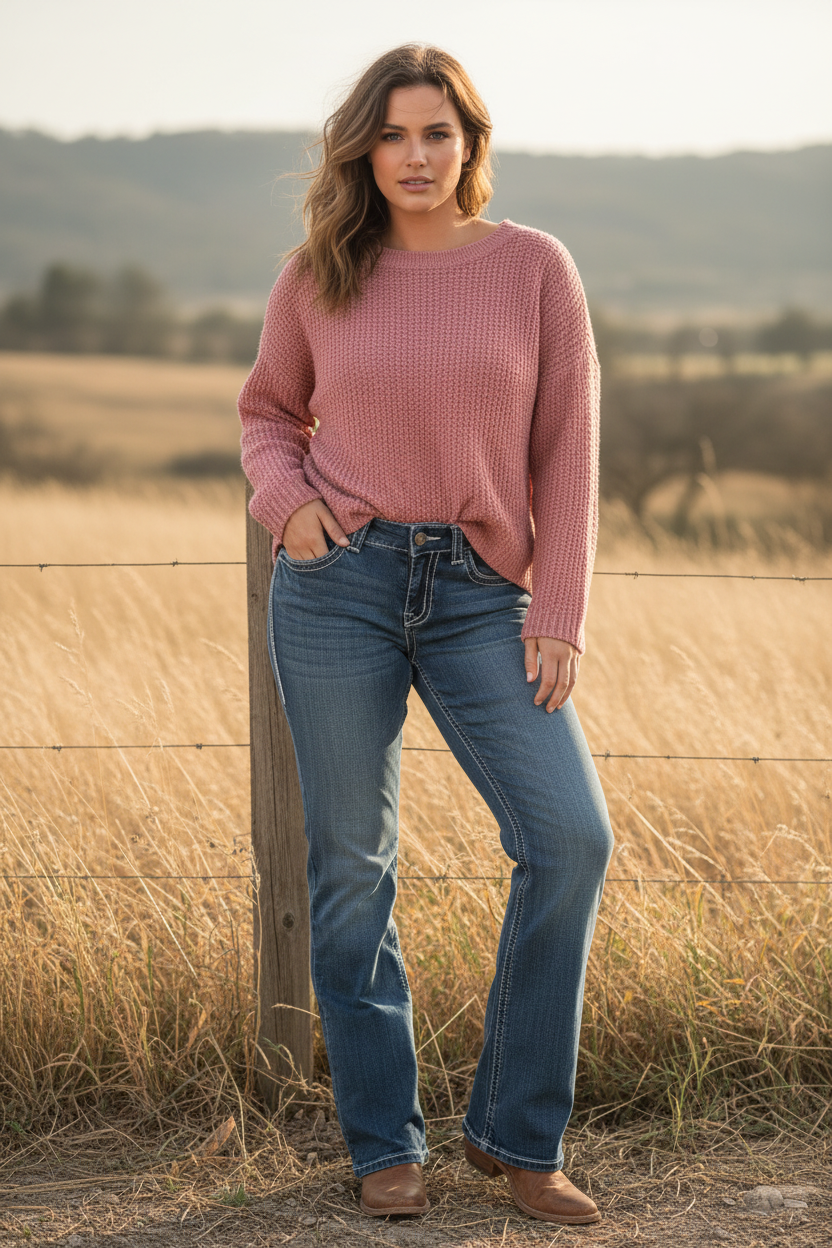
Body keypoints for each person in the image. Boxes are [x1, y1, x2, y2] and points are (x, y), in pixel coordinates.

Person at [238, 42, 614, 1227]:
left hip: (478, 594)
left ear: (469, 145)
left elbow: (569, 446)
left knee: (569, 839)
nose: (415, 155)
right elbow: (264, 411)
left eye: (436, 134)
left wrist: (558, 608)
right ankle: (380, 1142)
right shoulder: (320, 272)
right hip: (340, 585)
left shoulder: (532, 269)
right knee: (352, 869)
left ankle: (516, 1138)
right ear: (365, 147)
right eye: (393, 134)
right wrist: (287, 506)